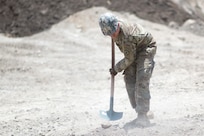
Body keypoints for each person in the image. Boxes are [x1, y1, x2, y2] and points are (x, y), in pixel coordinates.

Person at [99, 13, 157, 127]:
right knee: (129, 78)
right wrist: (112, 33)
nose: (112, 36)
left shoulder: (127, 36)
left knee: (142, 77)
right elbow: (129, 56)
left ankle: (143, 115)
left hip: (145, 48)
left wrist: (116, 68)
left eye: (113, 33)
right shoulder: (113, 29)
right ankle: (140, 109)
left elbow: (129, 59)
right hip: (132, 49)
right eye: (109, 34)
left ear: (117, 27)